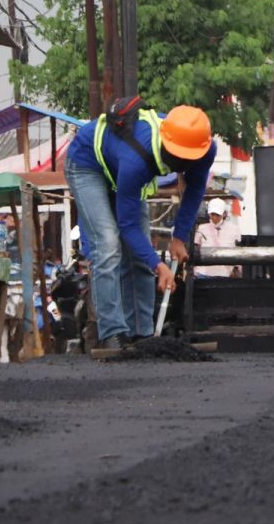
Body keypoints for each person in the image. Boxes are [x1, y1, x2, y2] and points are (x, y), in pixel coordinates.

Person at [66, 104, 216, 350]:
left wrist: (179, 237)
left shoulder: (205, 147)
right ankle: (113, 333)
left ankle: (141, 334)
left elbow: (195, 189)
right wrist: (159, 265)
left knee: (140, 257)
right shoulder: (137, 159)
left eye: (190, 158)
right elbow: (128, 226)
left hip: (121, 167)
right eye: (179, 157)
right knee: (108, 244)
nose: (183, 163)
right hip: (88, 164)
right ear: (166, 144)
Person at [194, 198, 241, 278]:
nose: (214, 217)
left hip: (225, 273)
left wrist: (236, 269)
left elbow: (239, 250)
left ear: (224, 214)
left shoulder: (234, 229)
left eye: (217, 214)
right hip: (204, 273)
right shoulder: (202, 228)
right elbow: (195, 247)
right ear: (209, 214)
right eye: (212, 214)